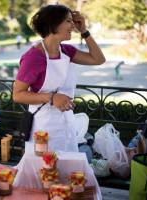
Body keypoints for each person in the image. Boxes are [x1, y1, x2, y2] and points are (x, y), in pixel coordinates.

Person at [13, 4, 105, 154]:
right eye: (68, 21)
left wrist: (84, 31)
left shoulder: (66, 51)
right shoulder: (33, 57)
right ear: (53, 24)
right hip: (42, 128)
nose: (73, 25)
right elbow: (17, 95)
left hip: (66, 123)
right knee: (44, 171)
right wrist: (52, 98)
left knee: (66, 169)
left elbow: (98, 59)